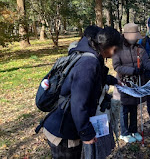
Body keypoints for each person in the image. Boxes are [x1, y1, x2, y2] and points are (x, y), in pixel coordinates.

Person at [43, 26, 122, 159]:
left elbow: (95, 80)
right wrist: (86, 133)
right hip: (64, 131)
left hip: (68, 125)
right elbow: (79, 102)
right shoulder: (89, 63)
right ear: (112, 48)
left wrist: (113, 81)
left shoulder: (90, 56)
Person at [112, 23, 150, 143]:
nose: (135, 39)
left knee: (134, 107)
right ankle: (124, 133)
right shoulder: (118, 49)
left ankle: (134, 130)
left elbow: (147, 62)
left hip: (137, 83)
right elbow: (117, 66)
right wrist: (132, 71)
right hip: (123, 83)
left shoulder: (139, 48)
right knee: (125, 108)